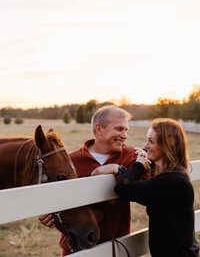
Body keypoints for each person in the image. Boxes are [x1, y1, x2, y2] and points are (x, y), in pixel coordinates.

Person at [39, 105, 150, 256]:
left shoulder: (131, 156)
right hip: (76, 248)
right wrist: (47, 213)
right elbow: (53, 195)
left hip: (117, 247)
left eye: (126, 130)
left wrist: (119, 170)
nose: (124, 135)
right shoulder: (72, 161)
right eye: (119, 129)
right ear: (99, 129)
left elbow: (147, 196)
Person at [92, 118, 199, 257]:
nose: (146, 145)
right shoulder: (172, 177)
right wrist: (139, 161)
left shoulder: (172, 181)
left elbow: (123, 189)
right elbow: (141, 186)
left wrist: (126, 167)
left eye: (151, 141)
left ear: (166, 146)